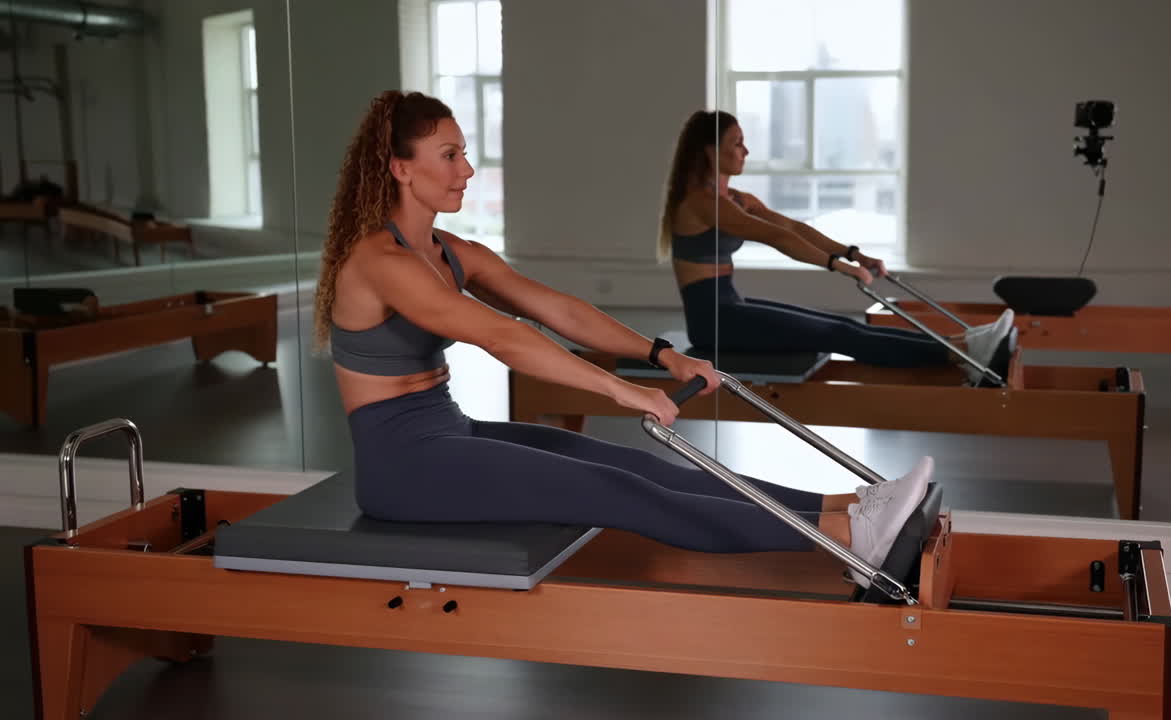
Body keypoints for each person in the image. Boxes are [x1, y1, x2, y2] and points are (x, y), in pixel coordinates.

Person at [313, 91, 929, 587]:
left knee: (638, 464)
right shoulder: (379, 263)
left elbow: (560, 311)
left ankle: (845, 510)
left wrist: (659, 355)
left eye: (465, 153)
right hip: (404, 467)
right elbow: (502, 337)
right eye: (449, 155)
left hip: (451, 432)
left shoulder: (452, 251)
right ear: (400, 167)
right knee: (622, 491)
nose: (467, 169)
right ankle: (850, 542)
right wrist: (619, 390)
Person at [659, 110, 1016, 386]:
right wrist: (836, 266)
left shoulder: (735, 198)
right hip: (715, 324)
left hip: (731, 307)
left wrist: (853, 254)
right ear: (710, 150)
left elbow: (793, 227)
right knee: (839, 335)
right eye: (737, 142)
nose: (746, 151)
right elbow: (776, 238)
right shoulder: (701, 204)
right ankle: (964, 355)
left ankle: (961, 343)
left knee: (842, 325)